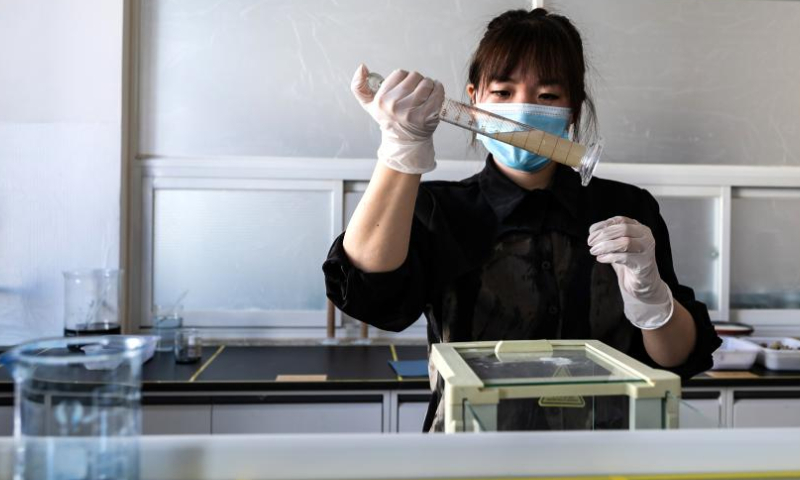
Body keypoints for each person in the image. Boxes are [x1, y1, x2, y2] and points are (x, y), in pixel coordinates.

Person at [323, 8, 721, 432]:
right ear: (472, 101)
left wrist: (652, 299)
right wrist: (400, 149)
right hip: (471, 452)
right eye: (503, 91)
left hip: (608, 453)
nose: (522, 109)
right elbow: (370, 297)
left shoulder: (626, 209)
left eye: (547, 96)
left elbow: (677, 358)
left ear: (573, 110)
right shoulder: (439, 209)